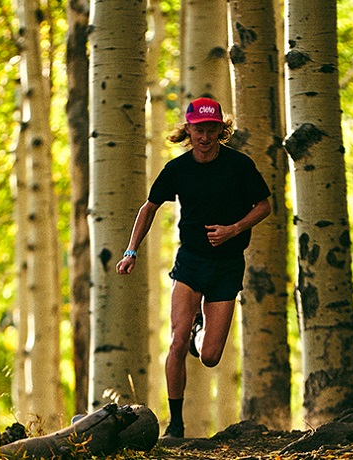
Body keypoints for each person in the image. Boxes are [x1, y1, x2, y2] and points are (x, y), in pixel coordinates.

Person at [115, 97, 271, 438]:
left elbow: (265, 205)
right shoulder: (178, 169)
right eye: (199, 130)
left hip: (227, 265)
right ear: (188, 130)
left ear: (220, 130)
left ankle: (199, 330)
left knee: (211, 356)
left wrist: (234, 229)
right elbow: (149, 207)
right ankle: (177, 423)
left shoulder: (239, 166)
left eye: (211, 129)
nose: (205, 137)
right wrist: (131, 252)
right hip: (191, 263)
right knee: (176, 339)